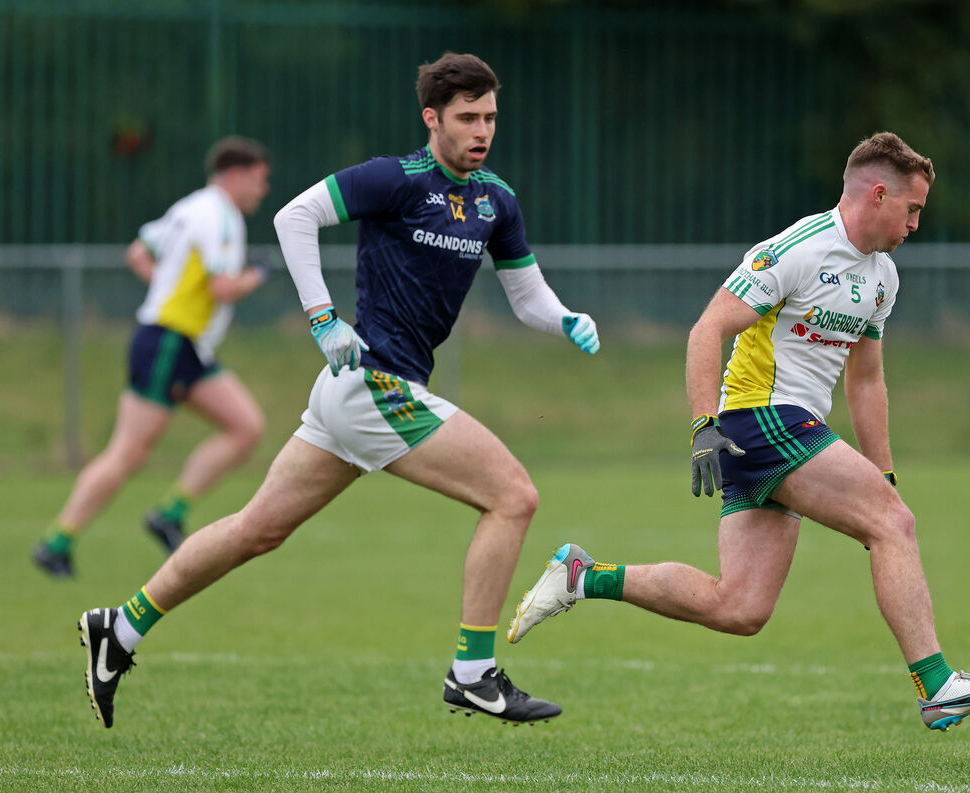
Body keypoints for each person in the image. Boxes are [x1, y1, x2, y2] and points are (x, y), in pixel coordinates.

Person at [75, 52, 600, 729]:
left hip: (359, 394)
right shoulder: (395, 178)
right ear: (432, 118)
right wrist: (324, 319)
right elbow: (294, 217)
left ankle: (119, 629)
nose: (482, 131)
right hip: (370, 384)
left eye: (490, 117)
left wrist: (564, 318)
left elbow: (525, 294)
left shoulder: (496, 200)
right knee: (513, 495)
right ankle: (473, 671)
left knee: (255, 531)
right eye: (467, 118)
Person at [508, 132, 970, 732]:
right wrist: (703, 424)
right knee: (895, 526)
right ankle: (938, 686)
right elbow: (707, 330)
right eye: (912, 209)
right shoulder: (797, 250)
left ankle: (584, 576)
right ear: (879, 195)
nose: (916, 223)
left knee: (741, 608)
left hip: (789, 430)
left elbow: (865, 382)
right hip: (760, 420)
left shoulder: (883, 277)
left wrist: (884, 476)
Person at [32, 137, 271, 578]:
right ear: (236, 175)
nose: (262, 190)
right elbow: (223, 288)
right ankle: (56, 541)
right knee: (127, 453)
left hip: (184, 345)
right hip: (168, 340)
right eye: (259, 181)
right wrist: (257, 275)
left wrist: (166, 288)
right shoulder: (220, 216)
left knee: (245, 426)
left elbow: (139, 253)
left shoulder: (189, 207)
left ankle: (169, 514)